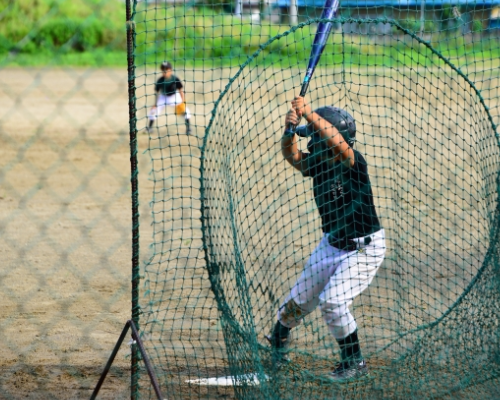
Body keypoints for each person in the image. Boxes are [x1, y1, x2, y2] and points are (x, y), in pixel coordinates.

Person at [266, 96, 386, 381]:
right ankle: (278, 343)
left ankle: (354, 362)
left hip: (363, 250)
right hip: (331, 244)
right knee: (297, 303)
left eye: (315, 137)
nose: (311, 143)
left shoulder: (352, 164)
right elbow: (292, 156)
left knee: (332, 302)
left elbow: (338, 143)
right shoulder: (318, 164)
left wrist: (308, 113)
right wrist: (289, 130)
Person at [147, 61, 191, 134]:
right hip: (163, 97)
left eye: (166, 69)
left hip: (174, 96)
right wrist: (155, 104)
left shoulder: (175, 78)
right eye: (163, 70)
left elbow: (180, 90)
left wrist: (183, 101)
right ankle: (149, 128)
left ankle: (188, 128)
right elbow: (157, 93)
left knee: (185, 110)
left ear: (170, 70)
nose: (165, 71)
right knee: (153, 111)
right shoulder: (160, 80)